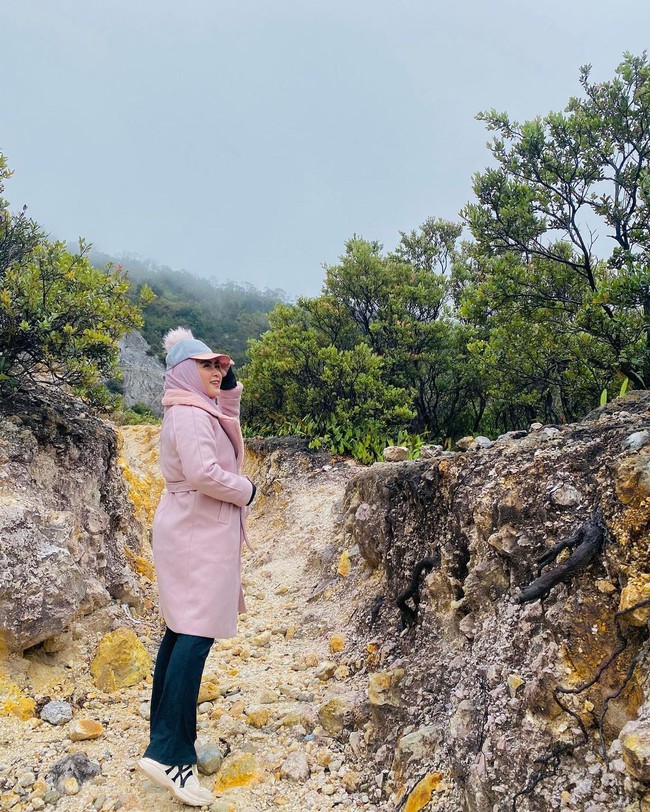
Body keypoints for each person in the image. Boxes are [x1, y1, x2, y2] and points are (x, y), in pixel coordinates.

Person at [138, 327, 256, 807]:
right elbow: (204, 473)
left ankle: (164, 748)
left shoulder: (199, 408)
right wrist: (246, 489)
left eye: (221, 365)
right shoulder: (187, 414)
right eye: (207, 365)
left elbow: (226, 422)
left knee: (181, 631)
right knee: (194, 634)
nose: (217, 370)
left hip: (196, 531)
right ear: (186, 371)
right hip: (194, 533)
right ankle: (170, 754)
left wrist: (228, 391)